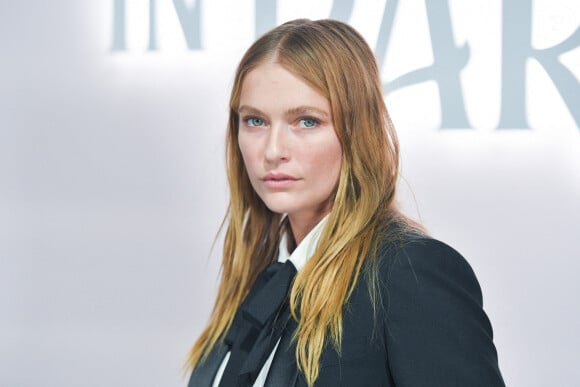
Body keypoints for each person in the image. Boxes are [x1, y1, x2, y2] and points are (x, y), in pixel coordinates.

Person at [186, 18, 505, 387]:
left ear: (357, 131)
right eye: (255, 121)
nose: (273, 151)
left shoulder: (407, 272)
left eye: (306, 121)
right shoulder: (259, 277)